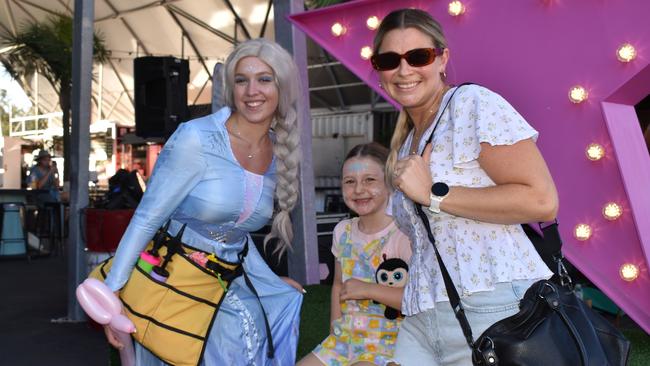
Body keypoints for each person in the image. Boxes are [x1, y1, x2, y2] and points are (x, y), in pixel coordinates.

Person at [369, 9, 559, 366]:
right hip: (423, 312)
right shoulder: (408, 140)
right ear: (379, 71)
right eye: (390, 60)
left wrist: (434, 195)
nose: (404, 70)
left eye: (418, 56)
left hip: (493, 307)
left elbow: (541, 200)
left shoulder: (472, 105)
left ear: (442, 59)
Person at [102, 38, 304, 365]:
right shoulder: (196, 137)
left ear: (282, 87)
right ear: (231, 88)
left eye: (264, 79)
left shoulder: (277, 150)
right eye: (242, 80)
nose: (252, 90)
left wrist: (266, 282)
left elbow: (234, 235)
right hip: (175, 280)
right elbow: (146, 218)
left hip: (224, 281)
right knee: (231, 336)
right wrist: (111, 293)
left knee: (269, 318)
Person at [298, 143, 412, 366]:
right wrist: (335, 326)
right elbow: (339, 285)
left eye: (370, 180)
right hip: (345, 339)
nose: (358, 189)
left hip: (389, 343)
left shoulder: (403, 235)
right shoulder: (343, 231)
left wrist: (368, 289)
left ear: (390, 184)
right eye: (350, 181)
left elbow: (416, 300)